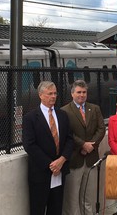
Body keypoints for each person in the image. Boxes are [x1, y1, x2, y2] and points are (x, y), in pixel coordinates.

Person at [22, 81, 73, 215]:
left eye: (55, 93)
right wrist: (51, 165)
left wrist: (61, 160)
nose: (53, 96)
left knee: (56, 209)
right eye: (50, 93)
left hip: (60, 171)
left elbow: (69, 139)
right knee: (38, 209)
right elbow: (29, 144)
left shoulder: (62, 115)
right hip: (41, 173)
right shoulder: (30, 118)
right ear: (41, 95)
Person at [61, 80, 105, 215]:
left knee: (88, 197)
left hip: (91, 159)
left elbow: (101, 129)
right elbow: (67, 133)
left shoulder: (95, 108)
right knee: (72, 198)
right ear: (72, 93)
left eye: (84, 92)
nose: (81, 95)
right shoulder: (65, 111)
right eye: (79, 92)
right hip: (75, 159)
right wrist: (82, 144)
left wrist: (91, 145)